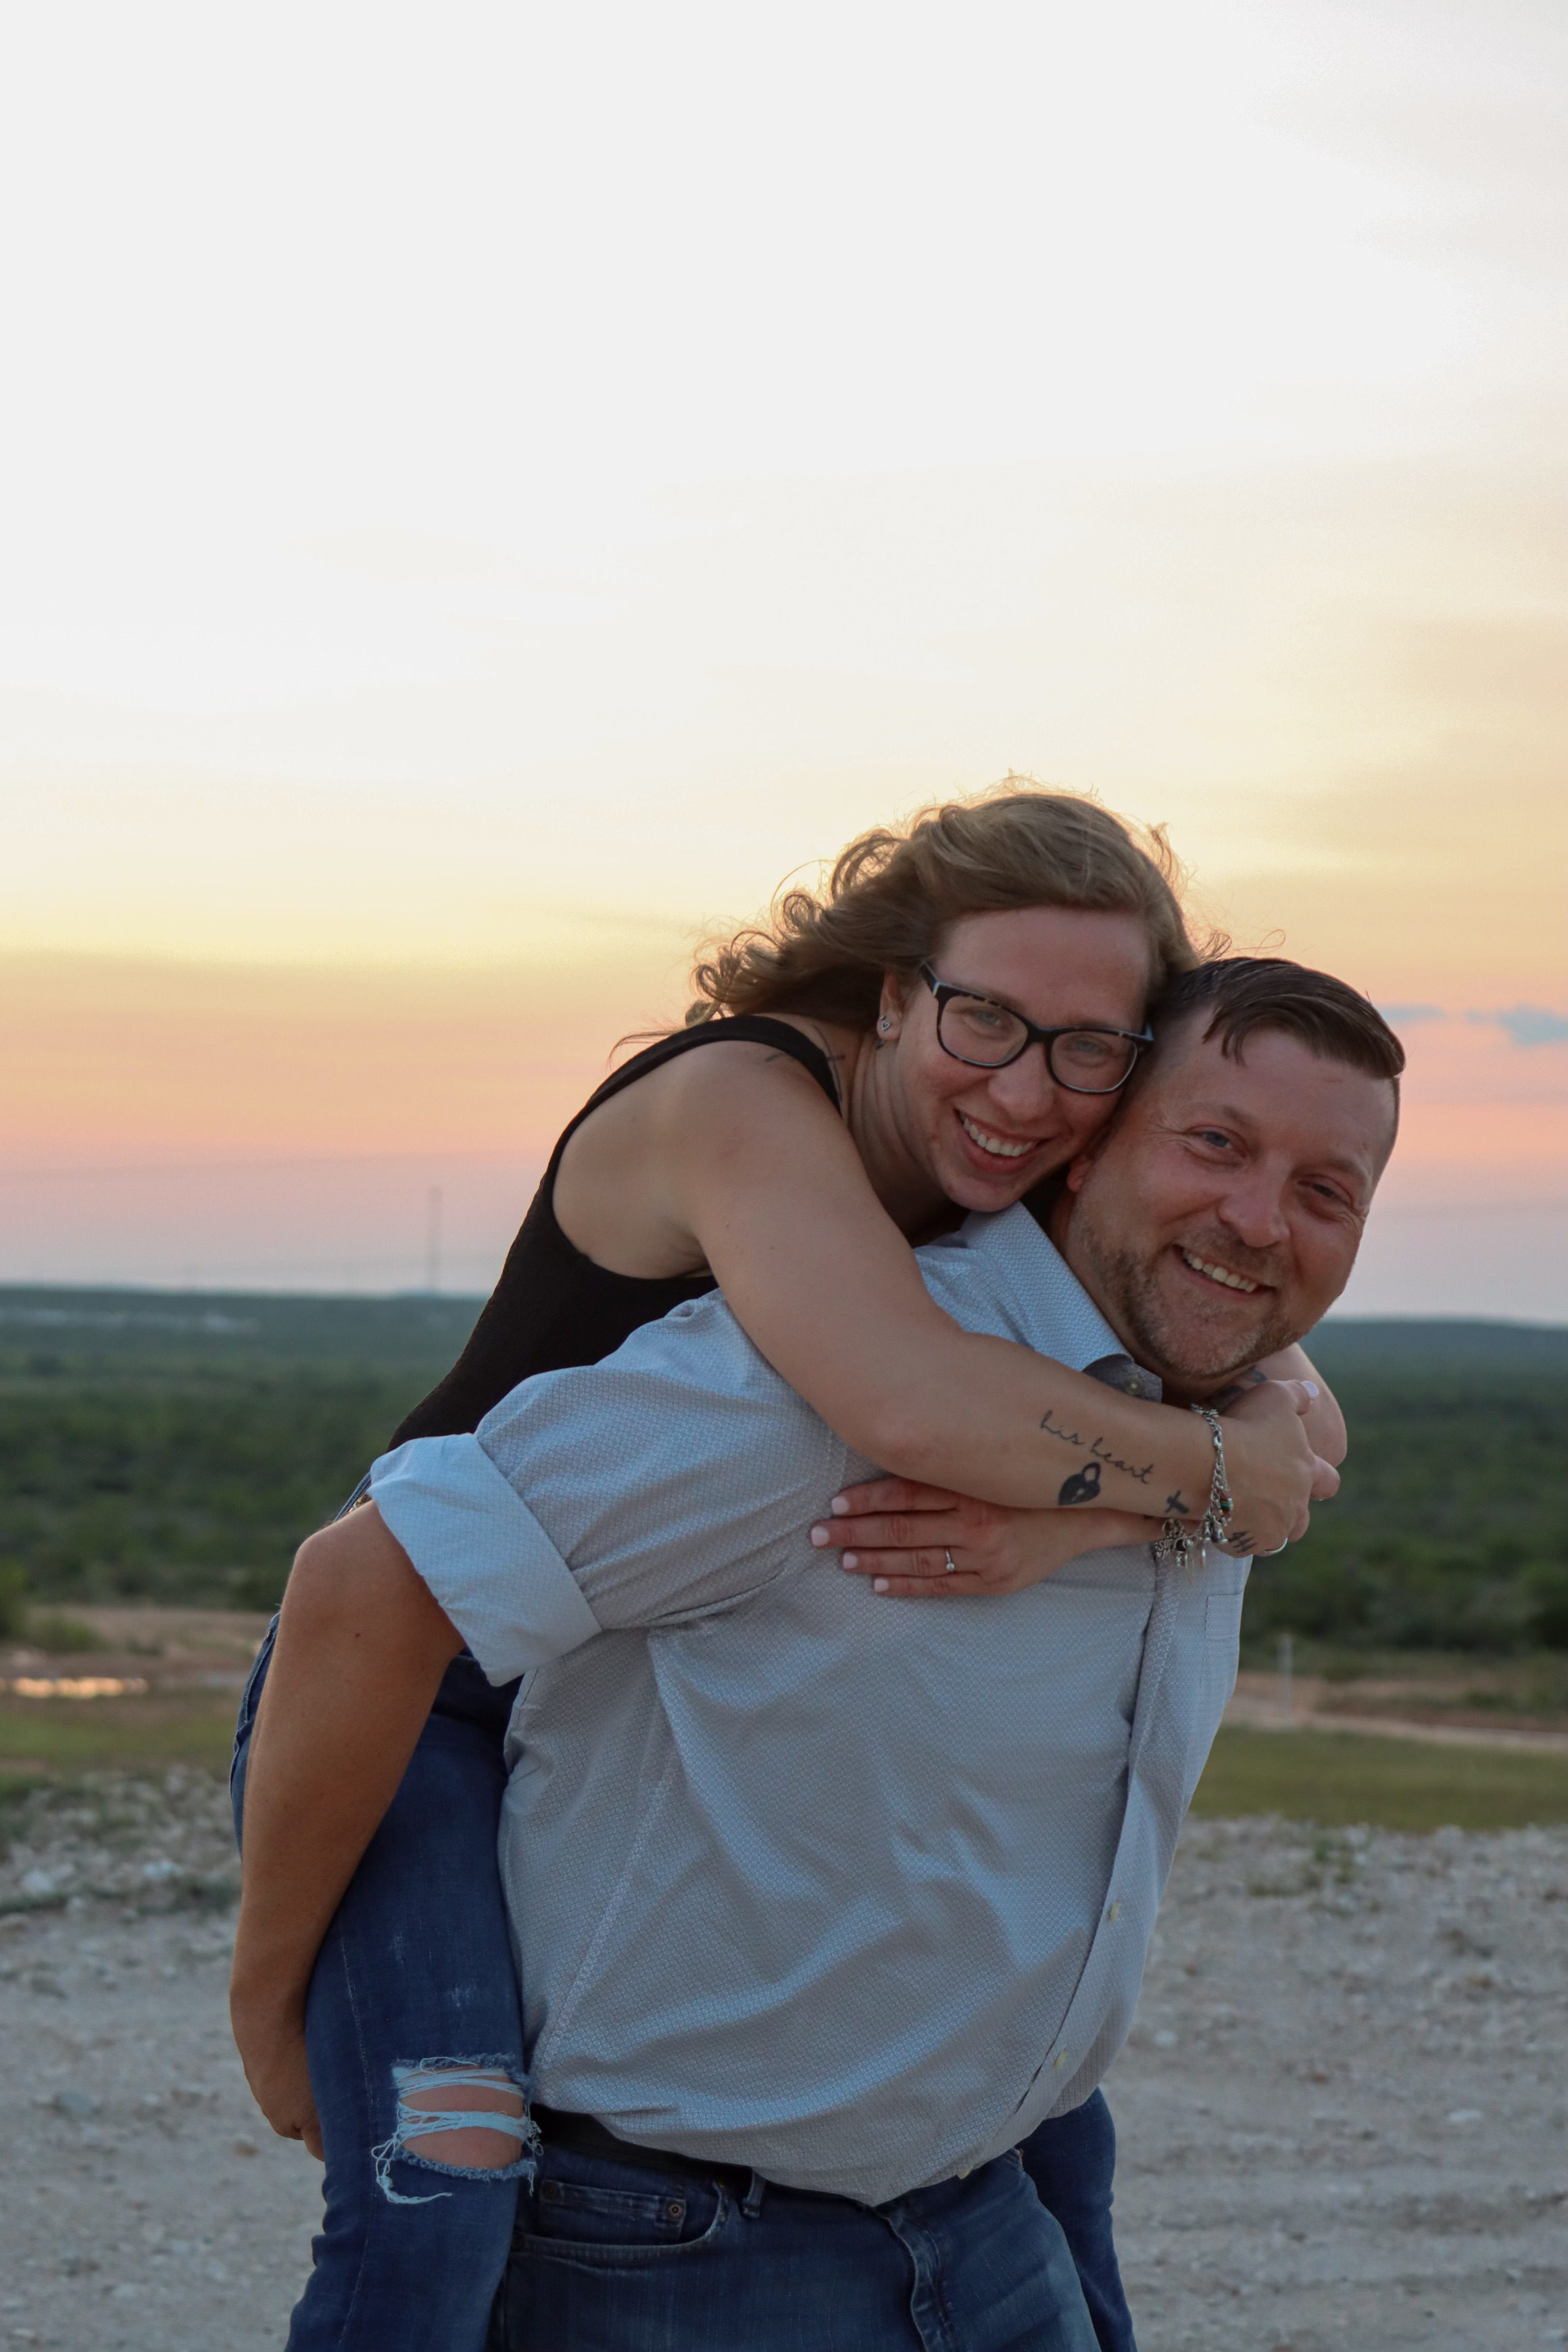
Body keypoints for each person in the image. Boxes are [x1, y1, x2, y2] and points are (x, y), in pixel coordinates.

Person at [230, 796, 1337, 2350]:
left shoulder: (1000, 1148)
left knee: (1043, 2142)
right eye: (984, 1020)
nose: (1025, 1089)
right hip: (413, 1666)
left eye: (1088, 1048)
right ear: (889, 994)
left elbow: (1271, 1387)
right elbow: (908, 1403)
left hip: (594, 1665)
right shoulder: (745, 1101)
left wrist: (1104, 1510)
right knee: (437, 2190)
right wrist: (271, 1990)